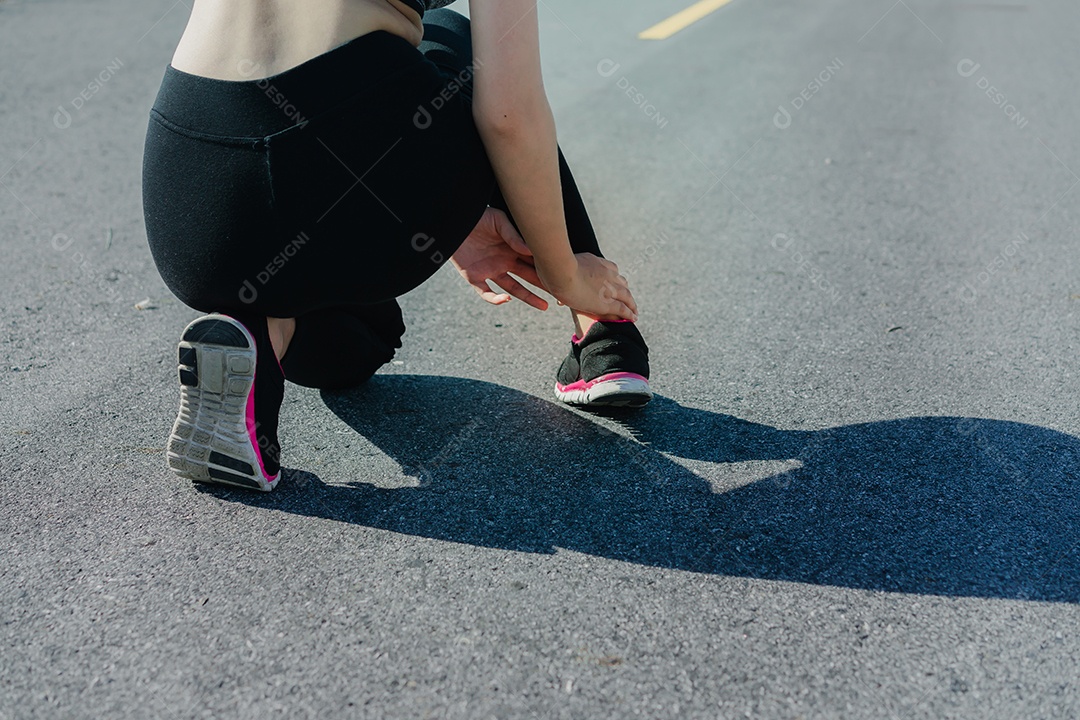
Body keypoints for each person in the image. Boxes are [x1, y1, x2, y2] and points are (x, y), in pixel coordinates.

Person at [143, 0, 653, 492]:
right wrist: (565, 273)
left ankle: (262, 339)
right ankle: (604, 333)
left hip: (193, 200)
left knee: (363, 334)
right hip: (353, 148)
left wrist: (458, 218)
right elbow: (509, 116)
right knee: (455, 36)